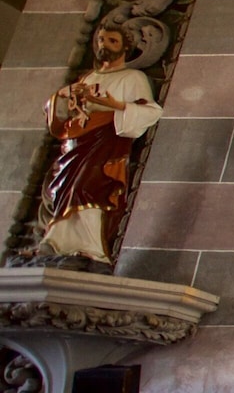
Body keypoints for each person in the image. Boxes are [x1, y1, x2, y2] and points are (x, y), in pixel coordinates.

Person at [30, 24, 161, 270]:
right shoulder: (88, 78)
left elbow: (151, 111)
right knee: (66, 189)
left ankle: (92, 248)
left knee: (91, 188)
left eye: (112, 41)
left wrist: (115, 105)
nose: (104, 45)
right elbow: (62, 113)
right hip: (75, 144)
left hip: (105, 143)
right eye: (101, 40)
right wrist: (65, 94)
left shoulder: (133, 78)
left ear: (125, 48)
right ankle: (57, 241)